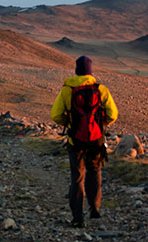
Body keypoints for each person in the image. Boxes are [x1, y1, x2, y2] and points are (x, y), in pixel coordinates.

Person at [51, 55, 119, 227]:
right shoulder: (101, 89)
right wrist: (100, 123)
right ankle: (94, 207)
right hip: (96, 140)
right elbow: (113, 114)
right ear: (90, 71)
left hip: (76, 141)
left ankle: (77, 218)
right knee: (94, 171)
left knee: (77, 178)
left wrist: (70, 123)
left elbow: (55, 115)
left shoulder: (67, 90)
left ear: (76, 70)